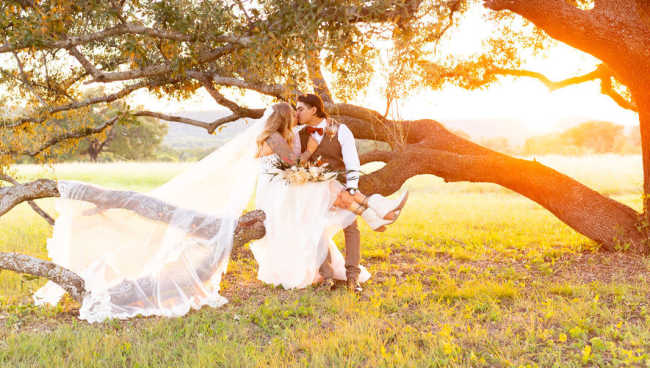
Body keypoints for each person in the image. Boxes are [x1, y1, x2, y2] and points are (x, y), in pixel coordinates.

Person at [32, 102, 407, 322]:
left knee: (324, 192)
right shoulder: (276, 137)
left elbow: (294, 163)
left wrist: (309, 159)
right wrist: (310, 155)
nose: (296, 118)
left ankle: (372, 214)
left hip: (286, 188)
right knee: (324, 189)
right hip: (278, 194)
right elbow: (292, 162)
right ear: (283, 120)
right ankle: (373, 213)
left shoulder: (281, 134)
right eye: (292, 115)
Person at [294, 94, 408, 292]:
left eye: (300, 108)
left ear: (314, 110)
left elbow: (351, 160)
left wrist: (352, 187)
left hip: (341, 185)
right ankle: (326, 276)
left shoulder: (340, 130)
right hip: (315, 191)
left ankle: (352, 278)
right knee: (318, 229)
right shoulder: (300, 134)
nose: (297, 113)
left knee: (351, 228)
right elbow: (296, 164)